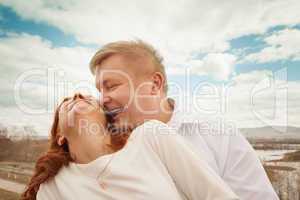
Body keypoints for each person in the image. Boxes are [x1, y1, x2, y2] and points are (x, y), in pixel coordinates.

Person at [89, 40, 279, 200]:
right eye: (100, 90)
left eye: (111, 86)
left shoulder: (218, 134)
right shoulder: (105, 149)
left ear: (154, 84)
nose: (102, 99)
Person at [21, 93, 238, 200]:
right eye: (66, 102)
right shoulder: (52, 188)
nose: (78, 96)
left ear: (105, 119)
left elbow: (216, 195)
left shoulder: (151, 136)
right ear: (60, 136)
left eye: (88, 98)